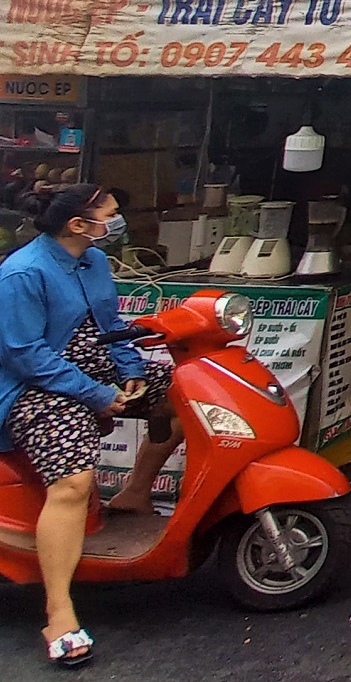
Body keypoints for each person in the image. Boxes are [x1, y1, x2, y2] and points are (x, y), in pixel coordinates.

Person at [0, 184, 180, 666]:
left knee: (187, 395)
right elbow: (24, 355)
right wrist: (96, 394)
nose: (118, 222)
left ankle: (135, 493)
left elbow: (111, 329)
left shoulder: (95, 261)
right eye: (111, 215)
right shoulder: (22, 273)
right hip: (37, 387)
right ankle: (59, 611)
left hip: (94, 373)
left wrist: (132, 371)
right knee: (73, 484)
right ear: (78, 225)